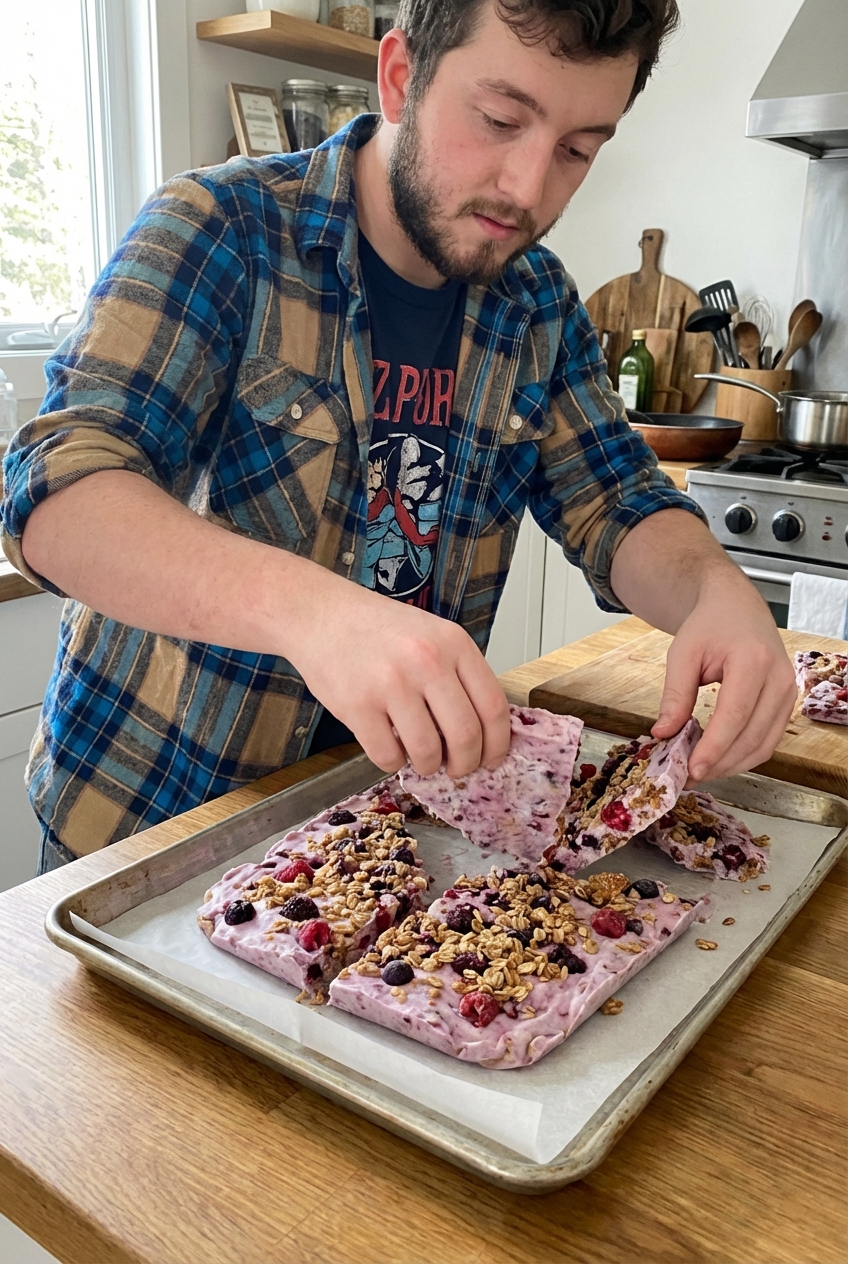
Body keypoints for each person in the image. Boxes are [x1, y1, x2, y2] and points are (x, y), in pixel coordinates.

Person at [1, 0, 796, 874]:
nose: (529, 189)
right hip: (148, 829)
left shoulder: (536, 303)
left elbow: (619, 498)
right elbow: (56, 493)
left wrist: (718, 593)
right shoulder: (221, 228)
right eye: (499, 120)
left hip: (377, 835)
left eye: (578, 149)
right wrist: (314, 615)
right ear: (399, 78)